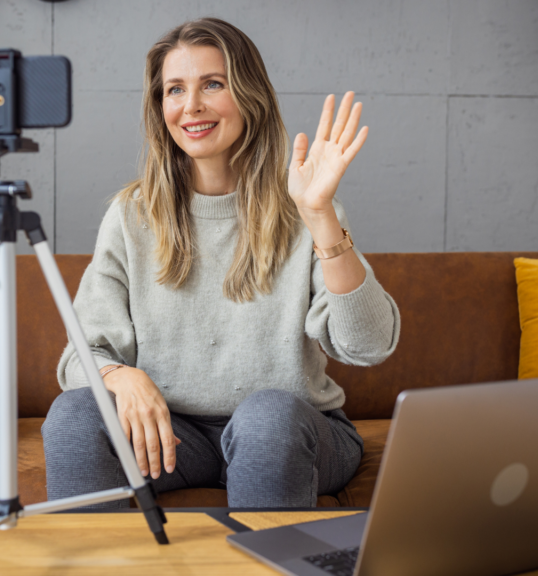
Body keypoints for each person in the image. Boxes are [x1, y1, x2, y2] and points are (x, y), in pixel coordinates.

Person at [42, 17, 400, 509]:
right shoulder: (131, 215)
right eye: (174, 90)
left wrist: (319, 217)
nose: (191, 106)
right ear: (159, 106)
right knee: (75, 415)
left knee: (266, 418)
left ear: (250, 95)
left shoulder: (309, 210)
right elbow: (80, 356)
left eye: (213, 84)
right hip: (171, 438)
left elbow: (369, 345)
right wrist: (120, 376)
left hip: (294, 431)